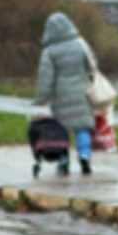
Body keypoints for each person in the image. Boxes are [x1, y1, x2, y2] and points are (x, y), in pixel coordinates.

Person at [33, 12, 96, 175]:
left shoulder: (49, 52)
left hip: (60, 95)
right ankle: (85, 156)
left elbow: (45, 78)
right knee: (83, 127)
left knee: (62, 130)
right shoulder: (81, 44)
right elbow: (92, 66)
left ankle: (64, 161)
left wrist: (41, 98)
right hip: (82, 91)